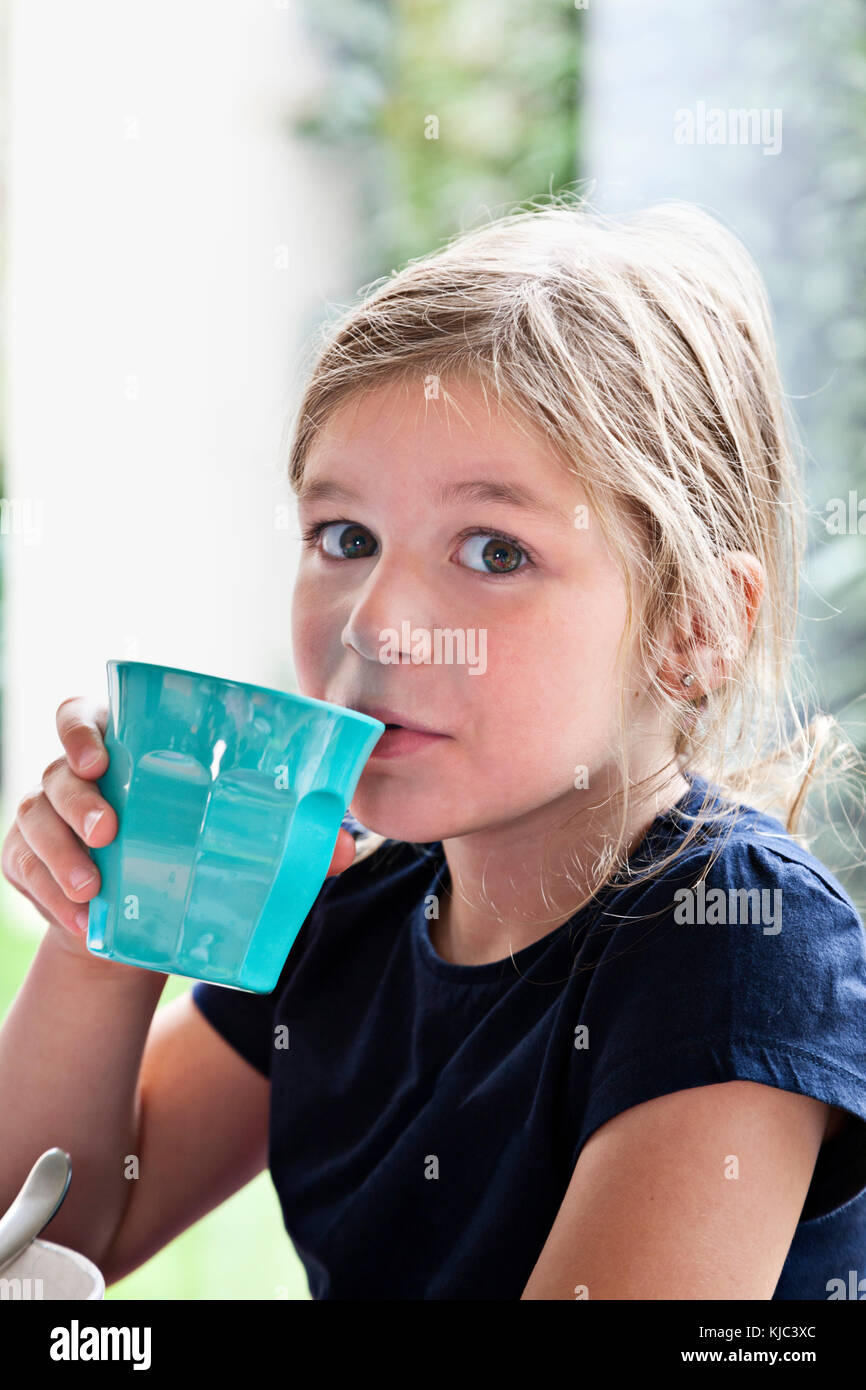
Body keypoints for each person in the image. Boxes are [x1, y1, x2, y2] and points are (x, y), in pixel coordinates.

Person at [3, 195, 866, 1300]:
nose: (375, 622)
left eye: (494, 551)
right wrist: (105, 933)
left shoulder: (738, 943)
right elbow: (48, 1242)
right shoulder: (344, 900)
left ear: (692, 625)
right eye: (344, 537)